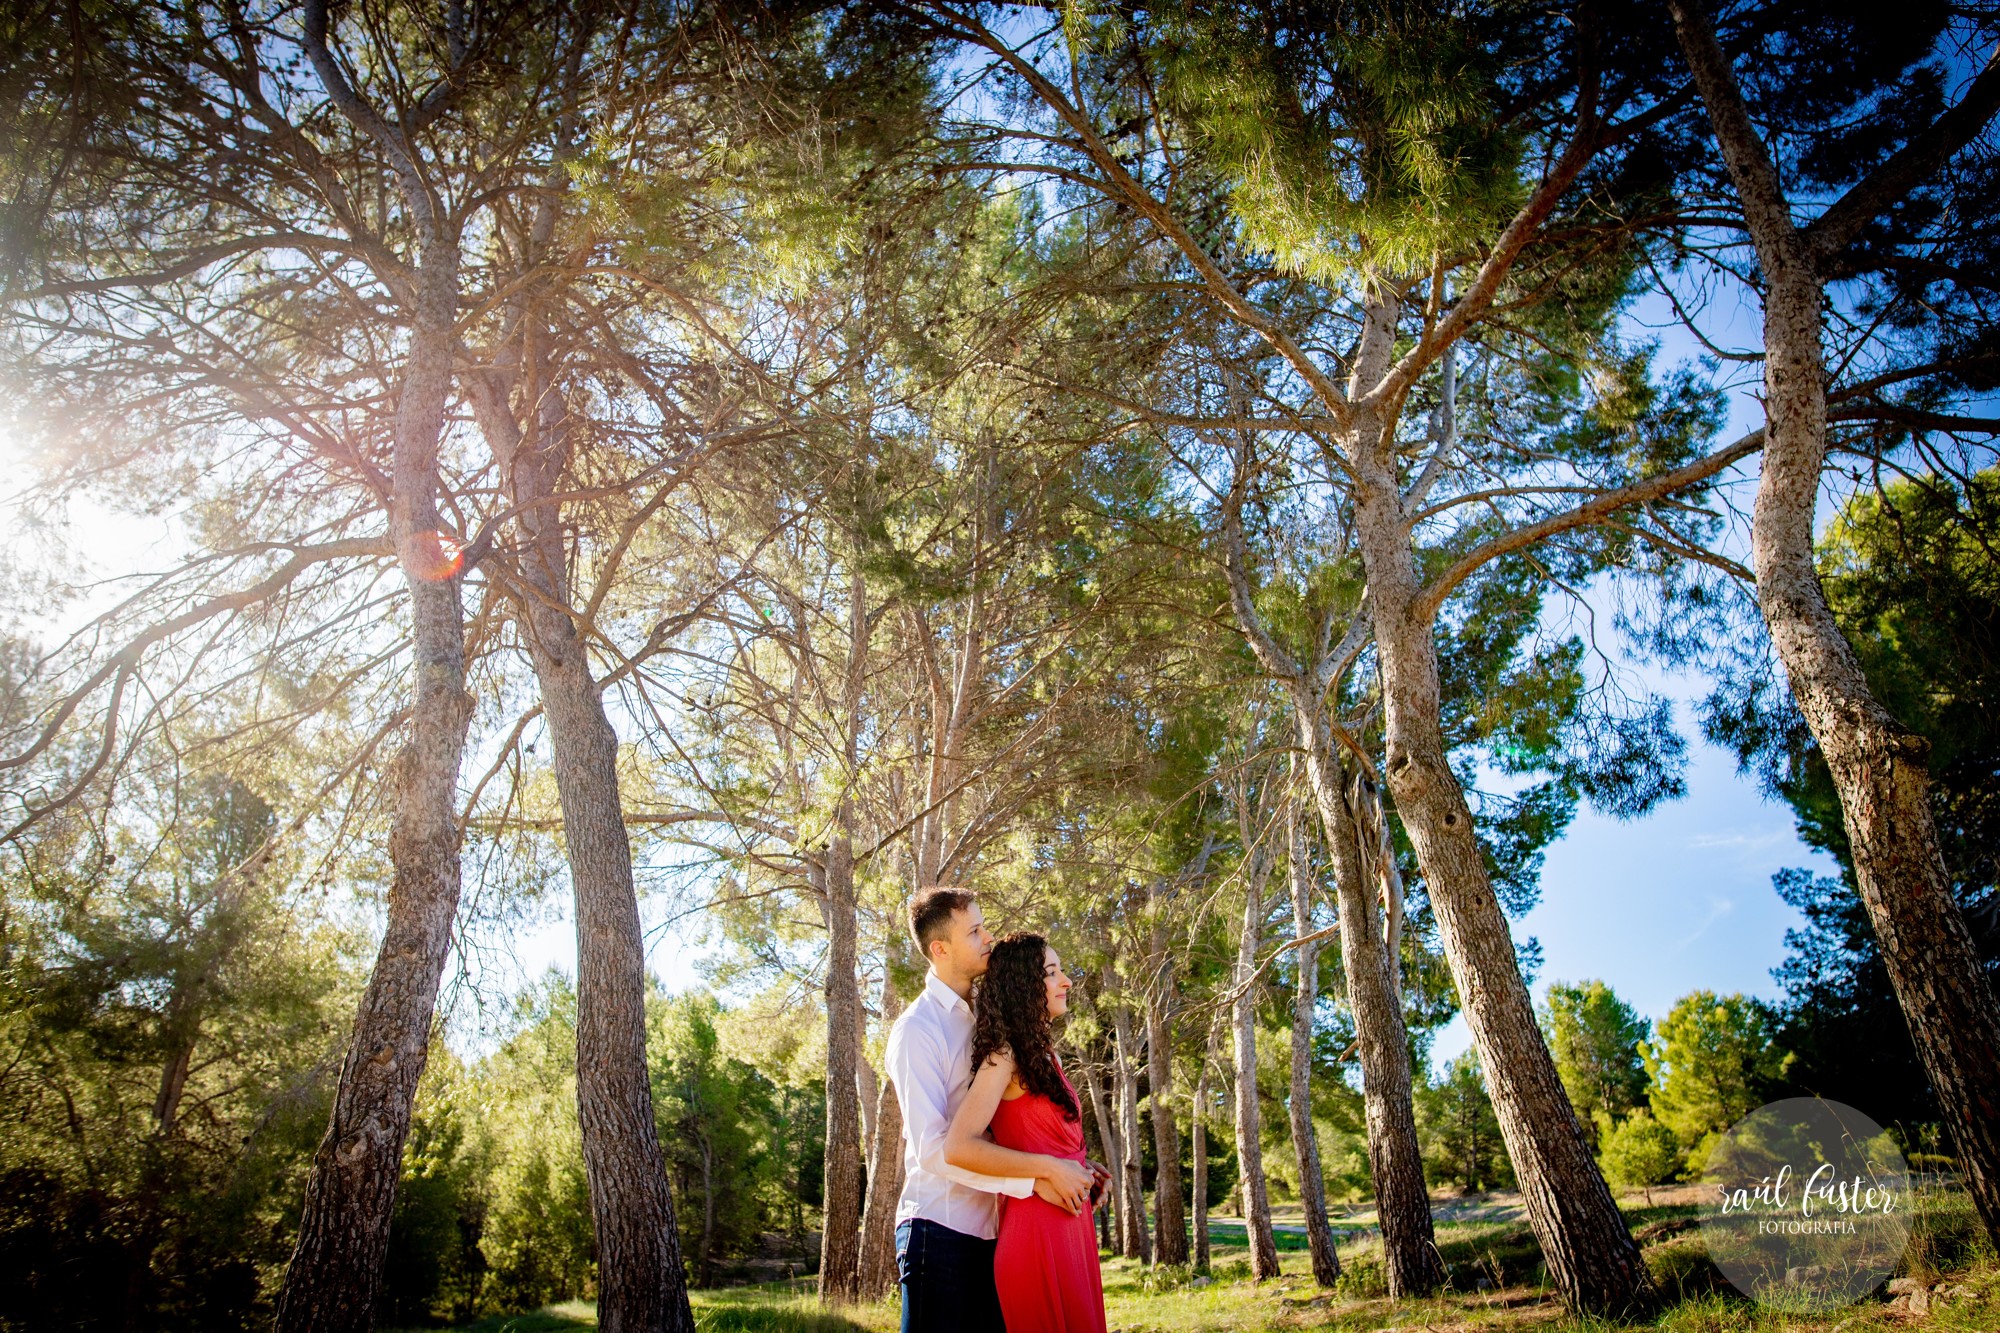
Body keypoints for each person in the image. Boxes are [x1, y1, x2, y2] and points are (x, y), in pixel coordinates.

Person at [884, 888, 1096, 1333]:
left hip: (997, 1227)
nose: (988, 938)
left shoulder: (988, 1015)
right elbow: (933, 1150)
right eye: (975, 931)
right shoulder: (917, 1031)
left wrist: (1070, 1167)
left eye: (984, 926)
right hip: (938, 1229)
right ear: (940, 949)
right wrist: (1037, 1177)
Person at [946, 932, 1109, 1333]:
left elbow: (1034, 1136)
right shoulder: (1005, 1056)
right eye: (1051, 973)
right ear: (1024, 985)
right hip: (1037, 1237)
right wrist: (1051, 1170)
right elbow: (958, 1146)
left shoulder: (1044, 1055)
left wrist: (1081, 1167)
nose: (1066, 981)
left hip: (1072, 1231)